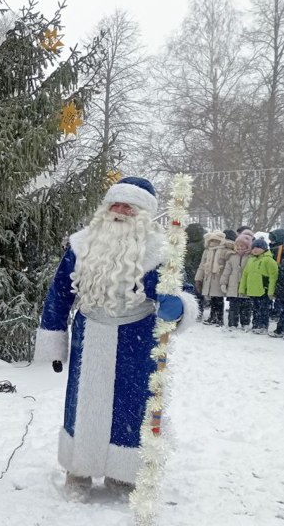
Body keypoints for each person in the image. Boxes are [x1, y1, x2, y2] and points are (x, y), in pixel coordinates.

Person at [33, 176, 195, 501]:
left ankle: (122, 474)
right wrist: (54, 338)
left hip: (136, 339)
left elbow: (180, 292)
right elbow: (59, 295)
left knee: (130, 405)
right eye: (115, 204)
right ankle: (78, 470)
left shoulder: (159, 252)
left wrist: (177, 305)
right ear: (105, 208)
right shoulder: (82, 244)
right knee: (82, 403)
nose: (120, 211)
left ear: (143, 213)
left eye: (128, 206)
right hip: (89, 334)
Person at [238, 238, 279, 335]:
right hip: (253, 290)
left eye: (258, 247)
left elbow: (273, 277)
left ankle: (263, 326)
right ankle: (256, 325)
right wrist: (242, 288)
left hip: (263, 290)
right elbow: (245, 275)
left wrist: (271, 291)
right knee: (255, 309)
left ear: (264, 248)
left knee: (264, 309)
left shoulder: (269, 261)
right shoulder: (251, 260)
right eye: (254, 248)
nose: (255, 250)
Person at [221, 233, 254, 330]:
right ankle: (232, 324)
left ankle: (245, 323)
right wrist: (223, 282)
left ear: (248, 247)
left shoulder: (251, 257)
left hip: (245, 287)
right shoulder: (232, 257)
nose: (240, 248)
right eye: (238, 246)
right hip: (233, 287)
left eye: (242, 246)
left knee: (246, 307)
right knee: (233, 308)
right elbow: (226, 271)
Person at [195, 230, 228, 325]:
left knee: (219, 299)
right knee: (212, 299)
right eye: (212, 240)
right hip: (208, 277)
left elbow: (227, 264)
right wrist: (198, 278)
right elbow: (202, 265)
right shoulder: (207, 251)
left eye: (216, 241)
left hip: (218, 278)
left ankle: (219, 318)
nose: (213, 243)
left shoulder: (224, 251)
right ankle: (212, 317)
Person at [184, 224, 206, 319]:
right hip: (201, 271)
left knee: (192, 293)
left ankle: (195, 312)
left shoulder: (190, 247)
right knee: (199, 293)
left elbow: (185, 263)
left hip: (191, 272)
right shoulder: (205, 243)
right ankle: (200, 311)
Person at [268, 229, 284, 338]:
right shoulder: (282, 256)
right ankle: (280, 329)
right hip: (282, 288)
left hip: (283, 287)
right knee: (283, 311)